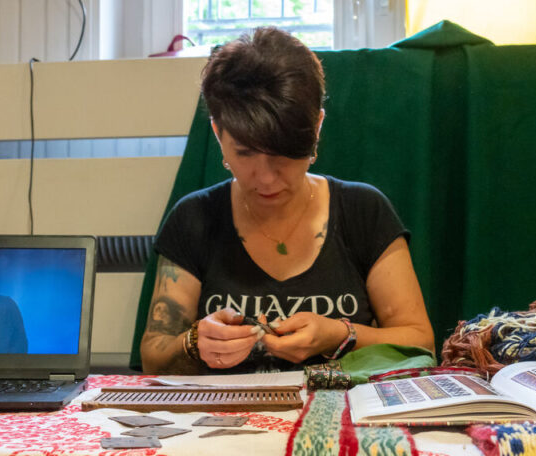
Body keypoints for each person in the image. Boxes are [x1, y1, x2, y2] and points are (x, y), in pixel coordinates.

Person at [140, 27, 434, 374]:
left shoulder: (364, 211)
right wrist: (194, 342)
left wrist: (340, 335)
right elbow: (153, 358)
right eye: (245, 152)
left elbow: (421, 344)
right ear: (218, 133)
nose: (265, 178)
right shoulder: (194, 218)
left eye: (284, 154)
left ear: (317, 127)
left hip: (345, 406)